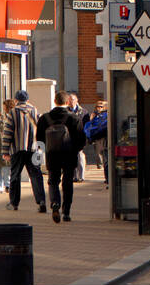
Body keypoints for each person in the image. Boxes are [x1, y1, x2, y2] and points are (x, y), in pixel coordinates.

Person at [37, 91, 87, 223]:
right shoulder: (74, 118)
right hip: (69, 154)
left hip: (52, 154)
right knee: (68, 182)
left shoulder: (45, 118)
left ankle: (54, 203)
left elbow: (39, 139)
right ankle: (66, 212)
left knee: (53, 180)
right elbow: (81, 139)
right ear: (67, 102)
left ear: (55, 101)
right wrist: (76, 149)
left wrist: (42, 152)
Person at [2, 89, 47, 214]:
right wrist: (41, 148)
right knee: (36, 175)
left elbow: (7, 133)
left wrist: (5, 151)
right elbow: (41, 130)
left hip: (17, 149)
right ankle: (41, 201)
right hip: (34, 149)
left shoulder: (13, 112)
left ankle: (14, 203)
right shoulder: (35, 110)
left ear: (16, 100)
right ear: (27, 99)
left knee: (15, 176)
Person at [84, 97, 109, 188]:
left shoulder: (105, 116)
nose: (99, 108)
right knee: (101, 156)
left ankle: (108, 178)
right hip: (99, 139)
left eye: (101, 106)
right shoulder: (95, 116)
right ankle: (106, 176)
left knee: (106, 159)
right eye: (98, 106)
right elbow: (89, 127)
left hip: (104, 139)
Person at [66, 92, 86, 183]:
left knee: (80, 156)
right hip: (68, 138)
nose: (71, 102)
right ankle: (73, 176)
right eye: (69, 100)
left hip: (79, 137)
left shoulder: (83, 112)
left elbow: (87, 125)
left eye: (73, 100)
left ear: (77, 100)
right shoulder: (65, 112)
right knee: (70, 158)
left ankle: (81, 176)